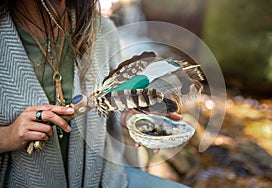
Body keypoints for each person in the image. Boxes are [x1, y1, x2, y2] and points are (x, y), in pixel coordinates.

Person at [0, 0, 188, 187]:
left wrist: (131, 116)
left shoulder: (101, 30)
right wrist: (8, 136)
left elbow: (113, 102)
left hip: (102, 178)